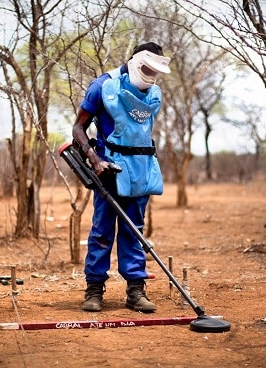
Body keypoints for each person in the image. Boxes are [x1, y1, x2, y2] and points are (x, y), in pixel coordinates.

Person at [72, 42, 171, 313]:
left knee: (134, 231)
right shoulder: (101, 86)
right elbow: (78, 128)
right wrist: (95, 160)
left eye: (156, 71)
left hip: (141, 169)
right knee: (102, 232)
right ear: (137, 62)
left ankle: (136, 292)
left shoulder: (152, 92)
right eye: (148, 68)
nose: (152, 74)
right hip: (109, 170)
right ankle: (94, 290)